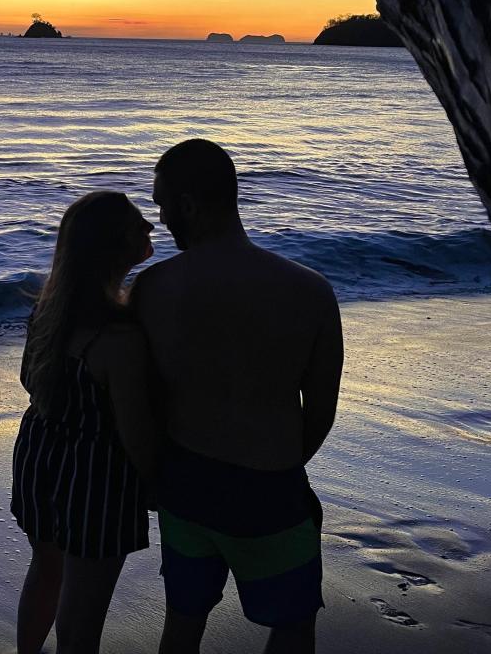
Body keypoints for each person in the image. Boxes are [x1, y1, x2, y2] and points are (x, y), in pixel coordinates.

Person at [131, 140, 344, 654]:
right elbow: (320, 410)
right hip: (269, 489)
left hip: (184, 487)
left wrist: (157, 474)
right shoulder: (310, 290)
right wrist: (279, 462)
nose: (160, 220)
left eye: (162, 205)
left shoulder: (153, 288)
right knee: (291, 628)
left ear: (188, 204)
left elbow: (142, 401)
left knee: (182, 621)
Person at [11, 191, 161, 654]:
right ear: (112, 246)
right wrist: (162, 487)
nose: (151, 228)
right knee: (83, 610)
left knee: (46, 569)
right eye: (139, 224)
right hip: (98, 474)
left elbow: (28, 380)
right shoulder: (119, 337)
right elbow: (137, 435)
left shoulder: (48, 311)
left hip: (40, 454)